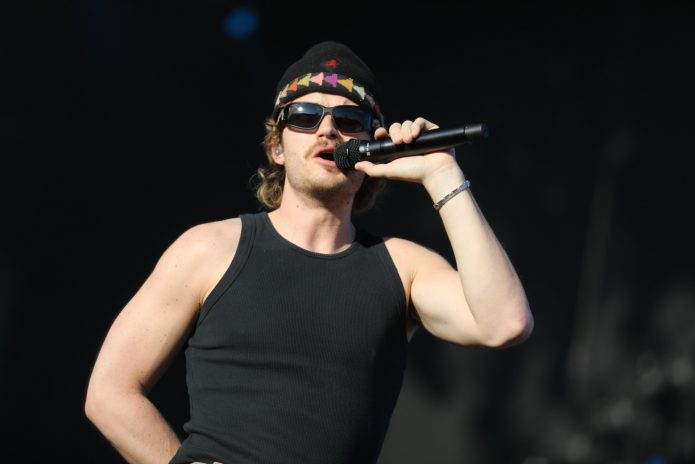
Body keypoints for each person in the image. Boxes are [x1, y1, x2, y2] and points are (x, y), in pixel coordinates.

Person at [85, 41, 533, 464]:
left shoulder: (403, 268)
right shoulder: (209, 248)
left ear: (371, 149)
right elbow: (110, 392)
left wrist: (441, 172)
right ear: (276, 147)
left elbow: (505, 323)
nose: (327, 129)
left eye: (349, 120)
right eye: (304, 115)